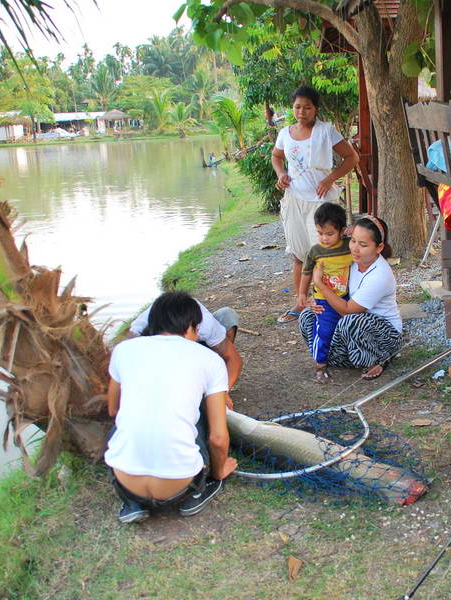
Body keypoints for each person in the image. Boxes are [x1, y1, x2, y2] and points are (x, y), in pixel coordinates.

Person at [105, 291, 238, 524]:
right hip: (180, 487)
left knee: (123, 422)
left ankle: (133, 504)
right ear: (192, 328)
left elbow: (113, 410)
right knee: (202, 413)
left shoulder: (124, 350)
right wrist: (219, 472)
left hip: (126, 484)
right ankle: (195, 495)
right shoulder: (209, 360)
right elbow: (218, 438)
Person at [271, 85, 358, 323]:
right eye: (298, 107)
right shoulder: (285, 133)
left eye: (307, 107)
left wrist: (330, 178)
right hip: (295, 200)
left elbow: (352, 157)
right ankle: (300, 303)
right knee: (299, 255)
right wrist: (281, 174)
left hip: (321, 203)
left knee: (326, 254)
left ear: (315, 109)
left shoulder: (326, 131)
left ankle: (332, 303)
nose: (302, 112)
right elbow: (276, 156)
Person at [299, 216, 402, 380]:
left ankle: (379, 358)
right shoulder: (351, 261)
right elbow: (332, 283)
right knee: (307, 316)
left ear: (379, 247)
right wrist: (315, 299)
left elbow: (348, 311)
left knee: (351, 321)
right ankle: (344, 358)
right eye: (353, 241)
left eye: (363, 245)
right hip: (348, 326)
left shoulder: (379, 274)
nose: (355, 248)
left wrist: (319, 283)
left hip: (383, 335)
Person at [129, 299, 242, 407]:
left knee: (226, 315)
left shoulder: (204, 324)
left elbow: (234, 359)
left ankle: (212, 380)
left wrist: (222, 392)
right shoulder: (137, 336)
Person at [299, 202, 352, 382]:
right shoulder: (316, 251)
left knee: (346, 327)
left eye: (329, 234)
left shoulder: (349, 246)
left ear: (342, 230)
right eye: (320, 233)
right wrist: (302, 294)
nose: (324, 238)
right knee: (324, 331)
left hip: (345, 296)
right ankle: (320, 365)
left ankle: (345, 357)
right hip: (323, 300)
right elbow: (306, 273)